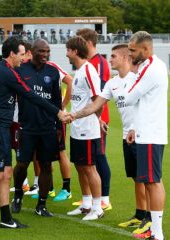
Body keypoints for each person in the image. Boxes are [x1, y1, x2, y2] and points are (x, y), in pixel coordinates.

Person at [0, 37, 71, 229]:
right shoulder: (6, 73)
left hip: (2, 128)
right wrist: (58, 112)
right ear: (11, 54)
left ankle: (6, 217)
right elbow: (30, 95)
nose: (24, 57)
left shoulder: (5, 70)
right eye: (21, 53)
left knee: (6, 173)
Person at [69, 44, 148, 228]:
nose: (109, 59)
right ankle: (139, 214)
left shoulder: (137, 79)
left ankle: (150, 219)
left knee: (146, 179)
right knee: (135, 177)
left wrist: (137, 128)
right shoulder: (112, 83)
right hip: (125, 136)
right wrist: (73, 115)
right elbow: (95, 104)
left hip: (142, 135)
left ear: (125, 58)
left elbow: (147, 106)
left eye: (113, 56)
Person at [11, 39, 63, 217]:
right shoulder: (21, 69)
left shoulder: (53, 72)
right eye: (41, 51)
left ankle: (41, 204)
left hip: (48, 127)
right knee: (22, 164)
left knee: (46, 165)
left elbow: (57, 100)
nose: (45, 55)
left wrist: (59, 126)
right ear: (31, 51)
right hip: (26, 126)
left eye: (47, 51)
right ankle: (18, 192)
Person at [125, 31, 168, 240]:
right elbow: (141, 101)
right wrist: (133, 127)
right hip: (146, 131)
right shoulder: (151, 65)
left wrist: (132, 72)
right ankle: (154, 230)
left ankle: (157, 234)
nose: (130, 54)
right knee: (152, 182)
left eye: (133, 50)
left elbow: (130, 97)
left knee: (153, 182)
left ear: (146, 49)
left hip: (151, 133)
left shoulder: (151, 68)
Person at [65, 36, 104, 221]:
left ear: (74, 51)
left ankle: (98, 207)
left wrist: (100, 120)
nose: (66, 54)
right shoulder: (80, 71)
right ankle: (86, 204)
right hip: (76, 127)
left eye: (68, 50)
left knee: (89, 168)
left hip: (88, 129)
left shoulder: (89, 70)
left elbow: (98, 99)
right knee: (80, 166)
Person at [75, 28, 112, 210]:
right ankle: (89, 200)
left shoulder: (97, 64)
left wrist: (99, 118)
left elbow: (100, 96)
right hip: (87, 118)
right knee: (87, 162)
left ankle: (104, 198)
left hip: (96, 118)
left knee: (98, 158)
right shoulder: (89, 63)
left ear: (88, 43)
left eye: (79, 40)